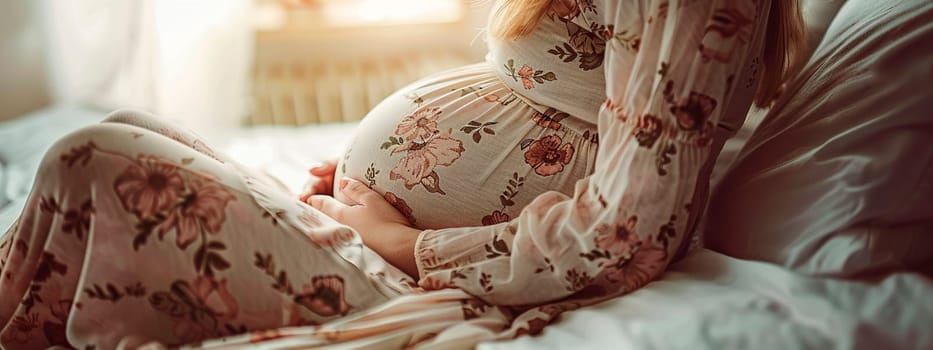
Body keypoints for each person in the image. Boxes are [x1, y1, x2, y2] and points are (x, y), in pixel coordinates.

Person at [0, 0, 806, 348]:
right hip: (375, 241)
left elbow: (628, 233)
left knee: (91, 162)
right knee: (126, 134)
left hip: (411, 276)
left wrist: (398, 239)